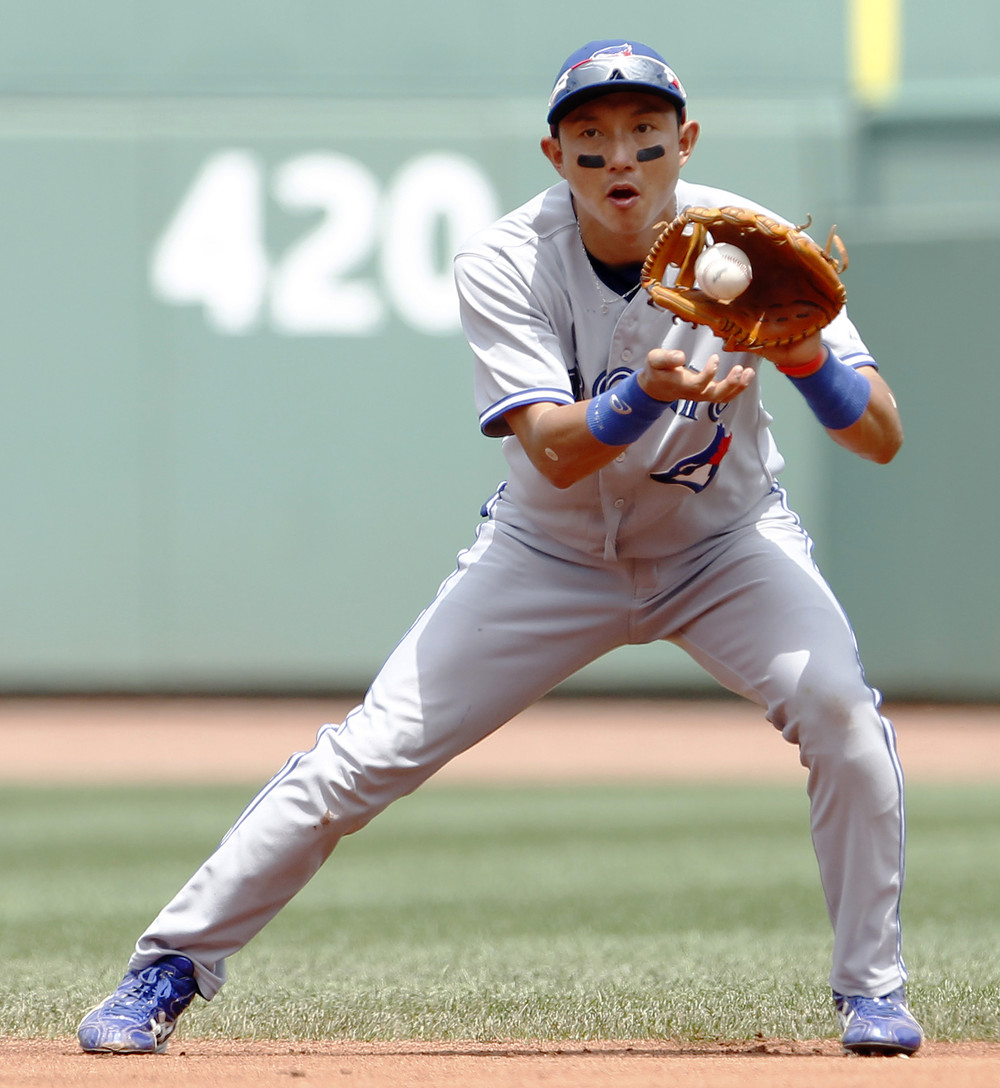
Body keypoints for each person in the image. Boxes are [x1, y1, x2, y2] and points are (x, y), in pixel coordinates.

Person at [76, 39, 923, 1058]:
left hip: (724, 545)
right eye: (592, 137)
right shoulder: (503, 259)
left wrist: (800, 350)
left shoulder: (757, 245)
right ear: (555, 152)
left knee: (838, 707)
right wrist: (646, 389)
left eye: (644, 137)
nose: (622, 158)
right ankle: (167, 963)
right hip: (549, 551)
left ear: (683, 141)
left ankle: (870, 988)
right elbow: (557, 455)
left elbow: (877, 435)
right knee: (364, 755)